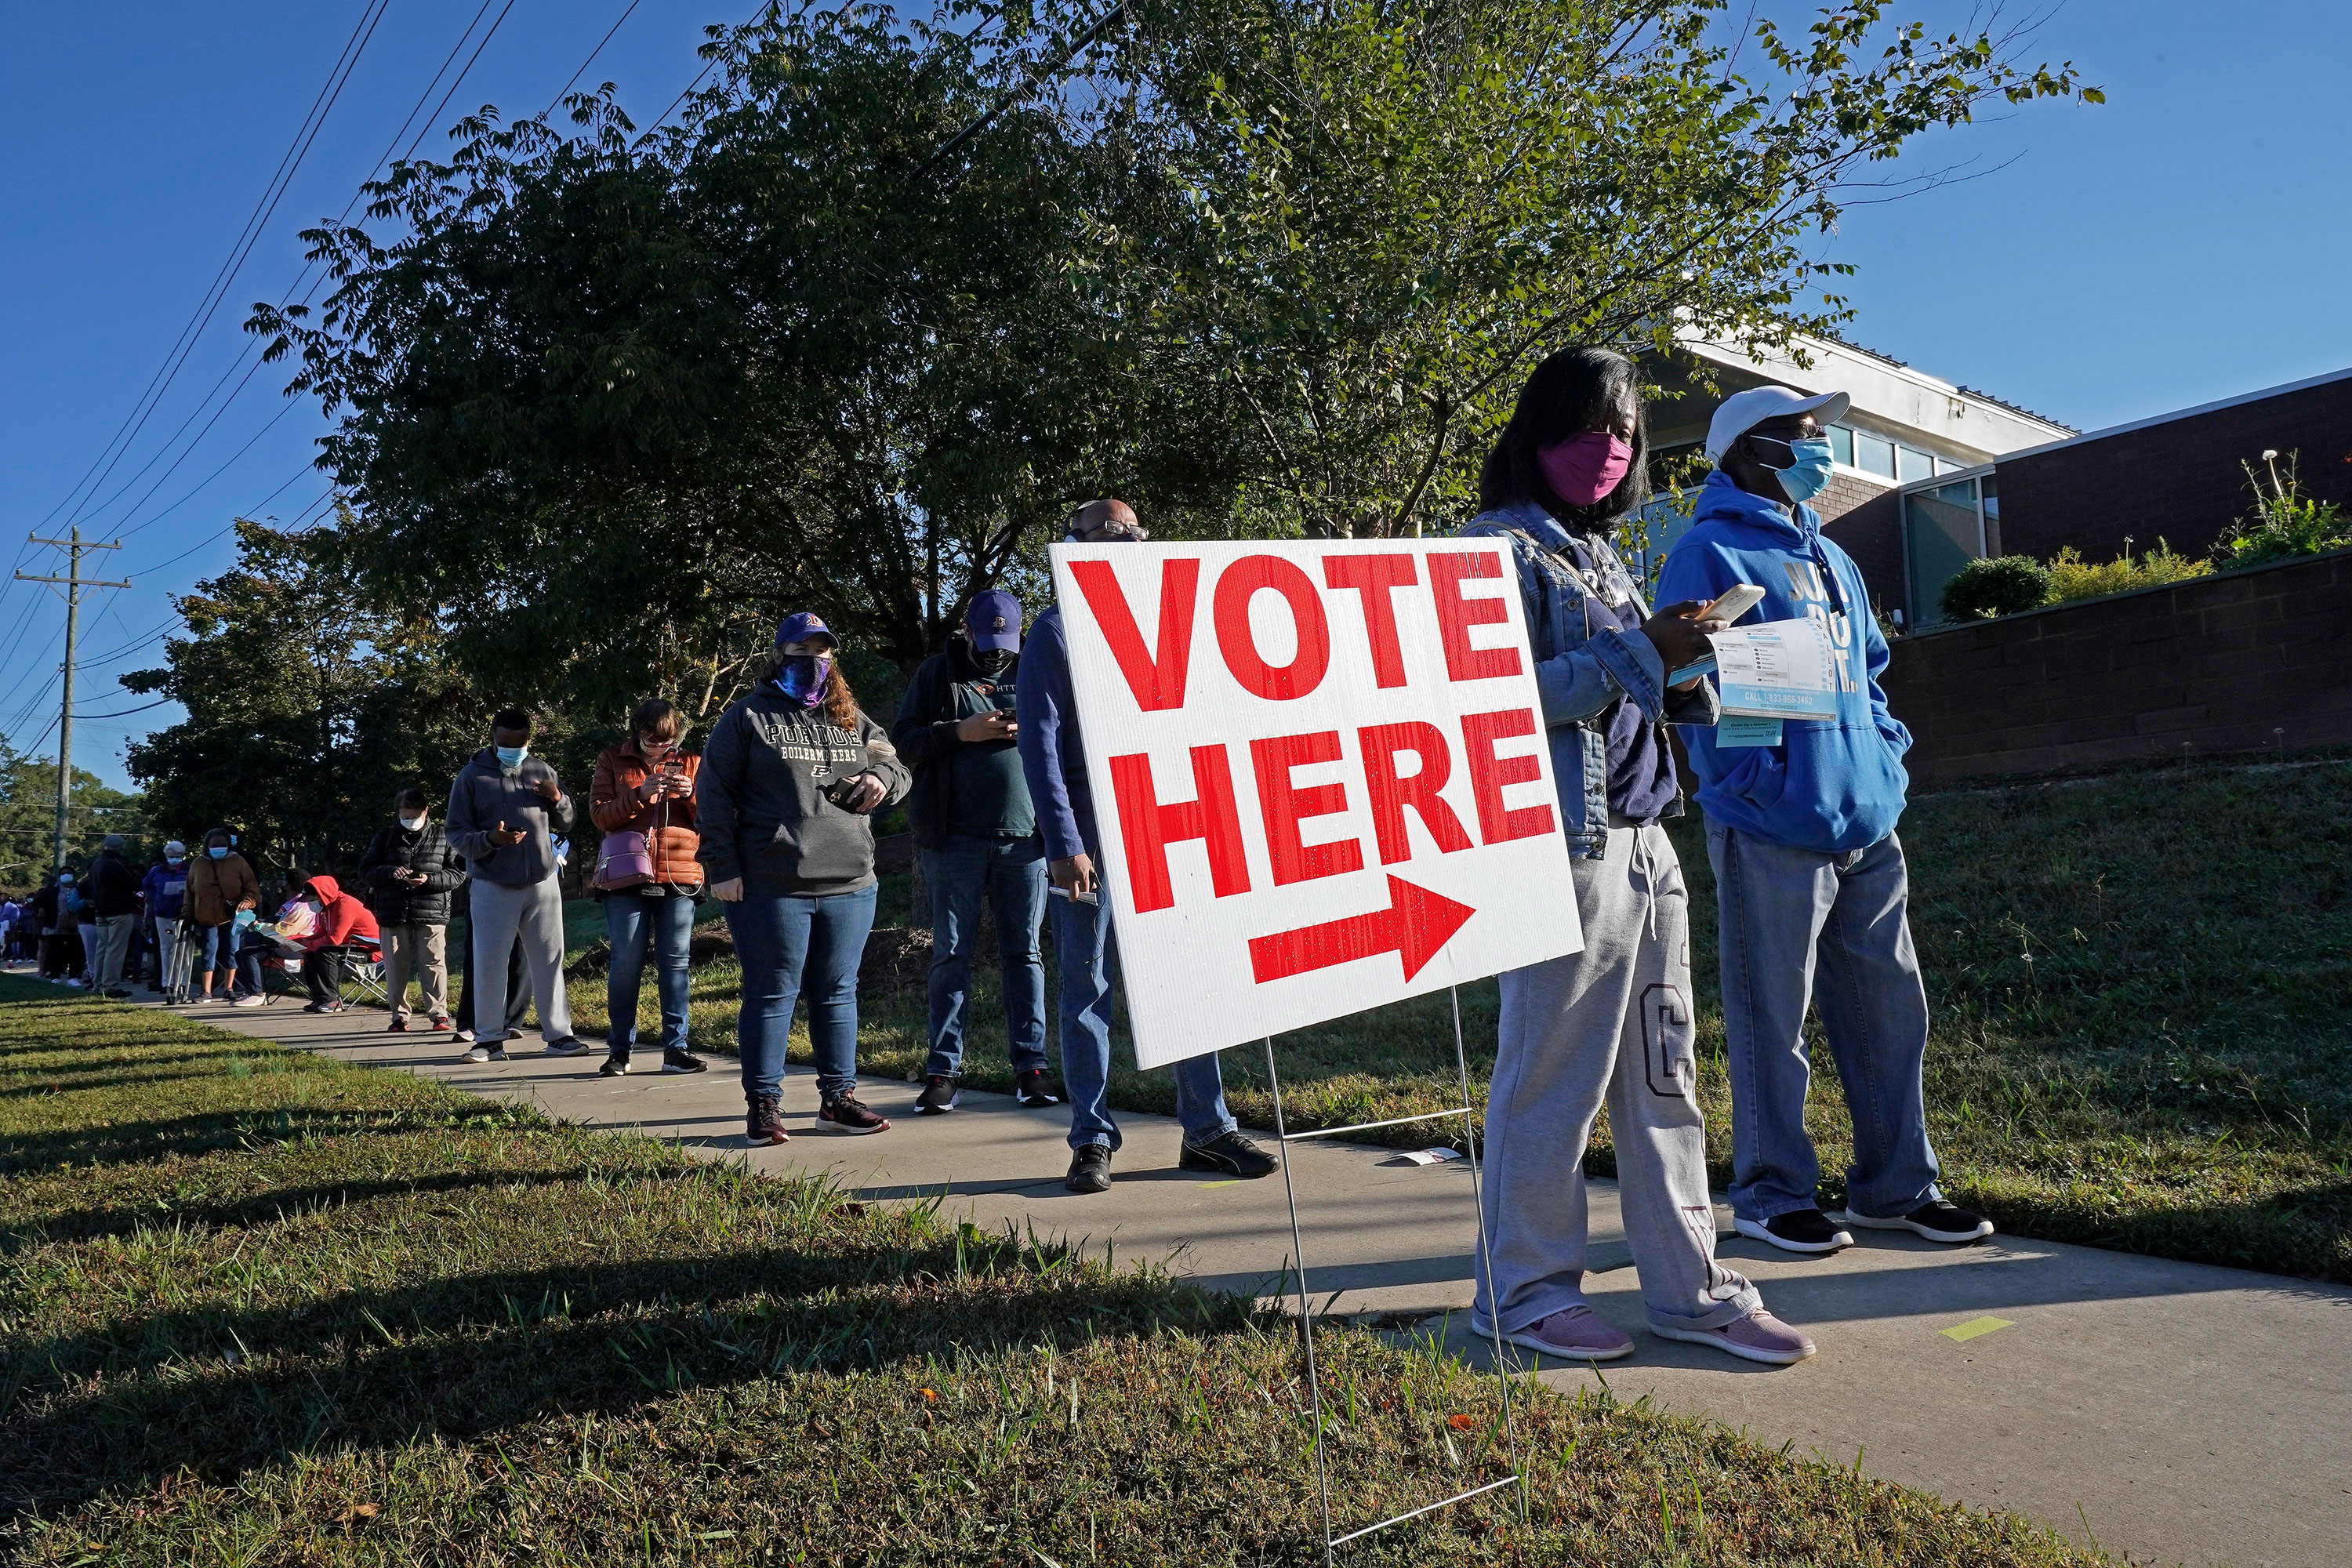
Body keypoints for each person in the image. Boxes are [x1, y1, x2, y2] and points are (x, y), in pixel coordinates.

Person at [1454, 347, 1810, 1367]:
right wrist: (1642, 654)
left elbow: (1629, 689)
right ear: (1536, 435)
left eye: (1624, 433)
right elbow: (1500, 711)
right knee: (1551, 1077)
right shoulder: (1495, 548)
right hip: (1563, 846)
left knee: (1665, 1071)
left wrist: (1687, 670)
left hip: (1651, 840)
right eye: (1586, 428)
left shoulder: (1603, 555)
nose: (1608, 450)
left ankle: (1692, 1286)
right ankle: (1520, 1290)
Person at [1657, 383, 1994, 1254]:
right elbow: (1694, 684)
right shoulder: (1709, 551)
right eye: (1801, 436)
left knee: (1890, 1013)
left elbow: (1871, 672)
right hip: (1770, 826)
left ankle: (1896, 1187)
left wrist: (1886, 755)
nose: (1819, 450)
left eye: (1818, 435)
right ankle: (1772, 1192)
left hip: (1867, 821)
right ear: (1747, 449)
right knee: (1774, 1016)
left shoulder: (1835, 557)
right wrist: (1759, 781)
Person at [1016, 499, 1279, 1195]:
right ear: (1072, 547)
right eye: (1107, 536)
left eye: (1134, 534)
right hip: (1093, 844)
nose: (1126, 546)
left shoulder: (1174, 621)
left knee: (1193, 979)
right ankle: (1092, 1141)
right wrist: (1066, 843)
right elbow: (1039, 752)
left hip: (1172, 830)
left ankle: (1208, 1131)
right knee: (1087, 990)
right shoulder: (1056, 632)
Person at [698, 612, 909, 1144]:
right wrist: (722, 867)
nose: (814, 662)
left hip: (851, 879)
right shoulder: (748, 718)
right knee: (773, 992)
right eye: (802, 651)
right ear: (780, 657)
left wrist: (880, 780)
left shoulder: (853, 720)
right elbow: (714, 794)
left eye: (823, 652)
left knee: (838, 992)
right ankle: (764, 1105)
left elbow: (896, 765)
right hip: (772, 882)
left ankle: (838, 1100)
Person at [891, 590, 1056, 1115]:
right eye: (987, 641)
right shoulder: (937, 674)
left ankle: (1032, 1068)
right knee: (951, 956)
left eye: (1005, 643)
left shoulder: (1039, 665)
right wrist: (958, 732)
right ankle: (943, 1071)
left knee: (1024, 955)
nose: (996, 652)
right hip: (953, 840)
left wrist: (1032, 729)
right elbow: (905, 742)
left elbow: (1068, 734)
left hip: (1025, 840)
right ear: (967, 628)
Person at [445, 710, 588, 1062]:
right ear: (493, 737)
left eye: (520, 744)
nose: (513, 750)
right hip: (492, 883)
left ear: (529, 739)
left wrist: (558, 799)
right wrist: (490, 840)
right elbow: (456, 833)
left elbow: (569, 823)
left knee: (551, 960)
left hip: (542, 881)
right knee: (489, 962)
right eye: (506, 744)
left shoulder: (542, 770)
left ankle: (559, 1036)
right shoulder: (471, 776)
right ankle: (489, 1040)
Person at [588, 699, 710, 1077]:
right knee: (626, 963)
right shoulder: (612, 759)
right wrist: (640, 794)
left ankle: (676, 1050)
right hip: (627, 875)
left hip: (679, 874)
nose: (660, 747)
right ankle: (619, 1051)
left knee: (675, 964)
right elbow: (599, 815)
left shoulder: (692, 761)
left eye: (668, 741)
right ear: (636, 732)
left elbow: (712, 817)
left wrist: (690, 793)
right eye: (651, 740)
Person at [359, 788, 466, 1032]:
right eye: (404, 816)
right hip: (393, 912)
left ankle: (439, 1015)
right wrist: (389, 873)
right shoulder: (385, 836)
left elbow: (458, 874)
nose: (409, 821)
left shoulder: (445, 836)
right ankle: (399, 1017)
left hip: (432, 911)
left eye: (414, 815)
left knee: (434, 963)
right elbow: (366, 871)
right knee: (395, 965)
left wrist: (428, 880)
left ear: (426, 811)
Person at [282, 873, 379, 1014]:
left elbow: (334, 939)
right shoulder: (327, 908)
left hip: (369, 950)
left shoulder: (345, 905)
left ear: (323, 895)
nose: (311, 903)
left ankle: (332, 1001)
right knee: (311, 953)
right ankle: (319, 999)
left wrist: (307, 945)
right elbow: (321, 933)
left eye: (313, 899)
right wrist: (296, 941)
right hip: (347, 947)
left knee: (325, 952)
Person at [186, 827, 261, 1002]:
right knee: (208, 951)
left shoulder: (238, 861)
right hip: (206, 916)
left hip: (232, 915)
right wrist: (187, 912)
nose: (219, 848)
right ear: (207, 846)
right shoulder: (198, 863)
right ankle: (206, 991)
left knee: (232, 951)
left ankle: (229, 988)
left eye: (222, 844)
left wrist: (248, 901)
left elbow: (252, 888)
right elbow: (189, 891)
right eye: (215, 845)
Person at [85, 834, 143, 998]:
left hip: (101, 911)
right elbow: (134, 882)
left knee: (101, 949)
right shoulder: (117, 862)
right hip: (119, 910)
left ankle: (97, 984)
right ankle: (110, 986)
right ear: (120, 847)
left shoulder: (97, 863)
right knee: (115, 949)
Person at [141, 842, 194, 1002]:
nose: (174, 859)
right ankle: (167, 982)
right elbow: (147, 886)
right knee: (165, 948)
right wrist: (154, 898)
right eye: (171, 856)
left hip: (184, 914)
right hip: (162, 914)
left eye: (177, 856)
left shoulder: (189, 869)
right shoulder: (156, 871)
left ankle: (183, 982)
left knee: (184, 950)